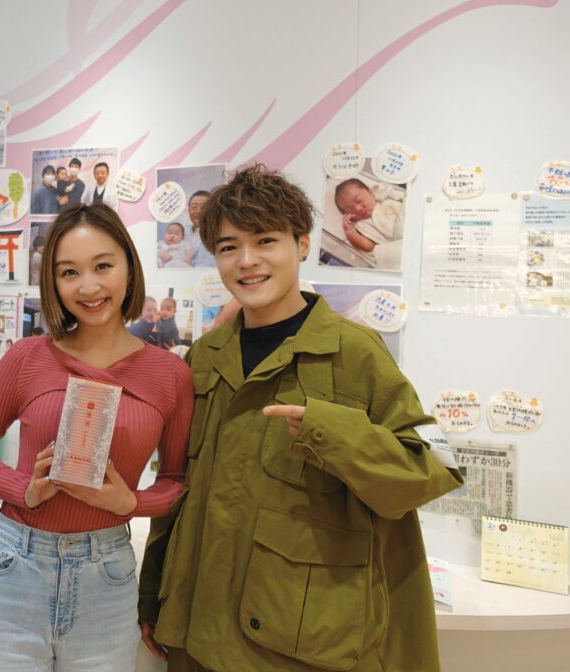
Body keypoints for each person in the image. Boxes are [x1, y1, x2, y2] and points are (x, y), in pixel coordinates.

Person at [139, 164, 462, 672]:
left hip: (297, 644)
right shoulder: (204, 357)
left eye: (265, 240)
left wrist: (336, 435)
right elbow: (178, 485)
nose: (247, 261)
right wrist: (152, 594)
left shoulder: (354, 352)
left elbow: (433, 468)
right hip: (195, 634)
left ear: (303, 243)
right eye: (228, 247)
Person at [0, 203, 194, 672]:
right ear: (53, 282)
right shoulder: (27, 357)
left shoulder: (170, 373)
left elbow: (177, 480)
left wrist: (131, 503)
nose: (88, 287)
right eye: (69, 272)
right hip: (16, 566)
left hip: (106, 572)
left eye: (103, 266)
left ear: (129, 267)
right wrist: (23, 489)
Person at [334, 177, 405, 253]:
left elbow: (406, 197)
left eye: (359, 200)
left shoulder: (385, 198)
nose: (358, 209)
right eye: (350, 209)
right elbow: (369, 247)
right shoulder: (363, 226)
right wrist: (350, 232)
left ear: (370, 192)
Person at [186, 191, 215, 267]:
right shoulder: (181, 231)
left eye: (203, 207)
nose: (198, 211)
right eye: (194, 207)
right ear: (188, 211)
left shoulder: (220, 233)